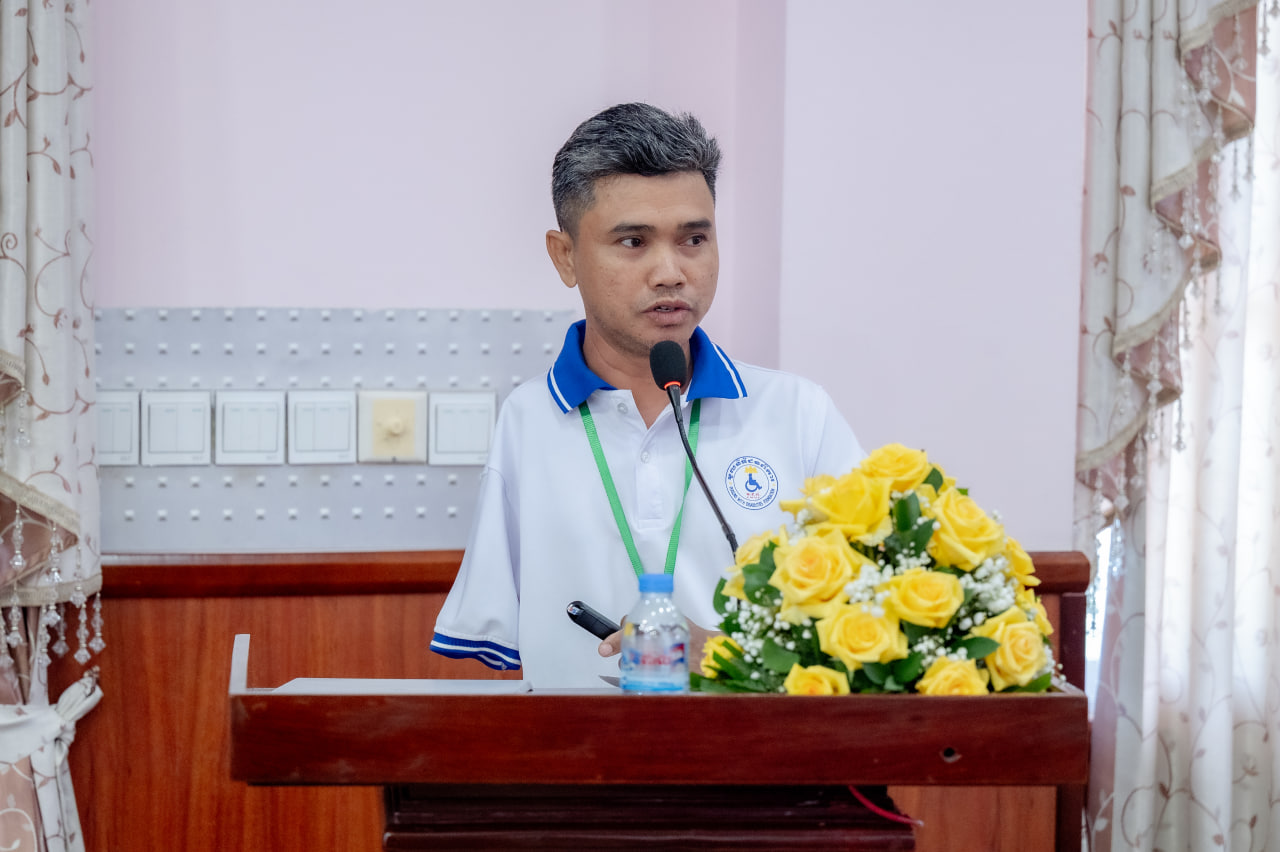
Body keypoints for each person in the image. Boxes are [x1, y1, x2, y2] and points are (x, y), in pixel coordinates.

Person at [430, 103, 863, 688]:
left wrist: (728, 658)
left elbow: (874, 625)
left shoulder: (797, 412)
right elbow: (492, 648)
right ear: (565, 256)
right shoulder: (528, 420)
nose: (670, 272)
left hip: (757, 743)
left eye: (694, 239)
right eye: (633, 241)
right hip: (579, 746)